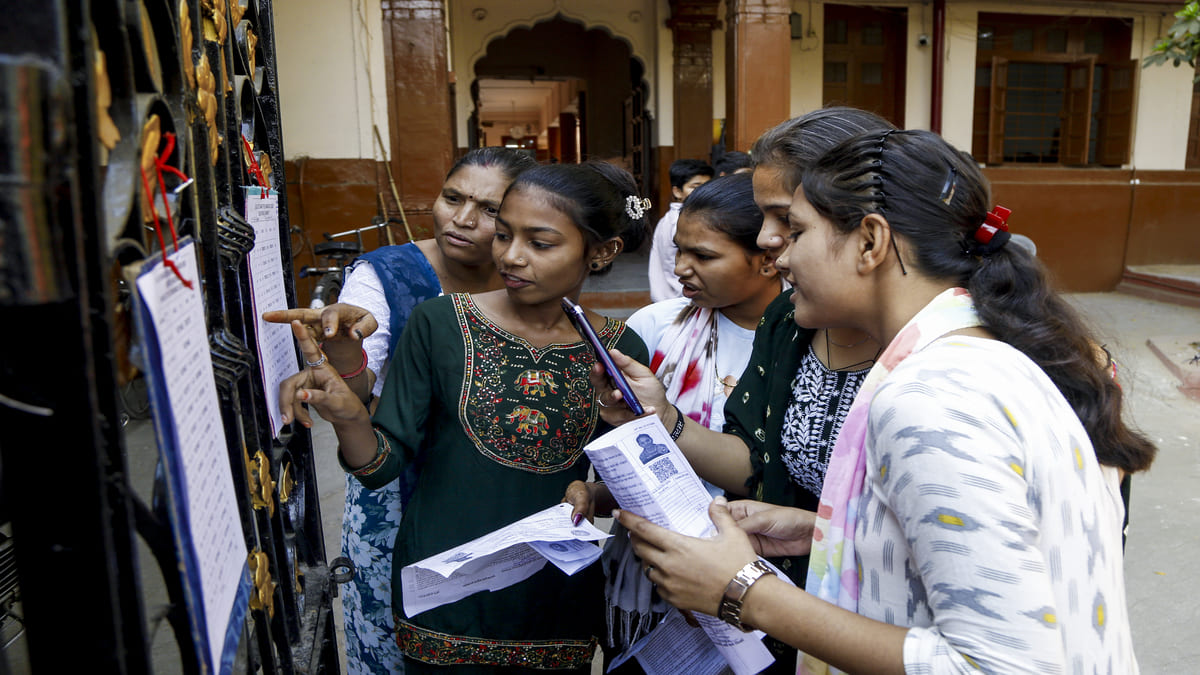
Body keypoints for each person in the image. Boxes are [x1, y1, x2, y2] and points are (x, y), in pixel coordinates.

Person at [615, 129, 1156, 673]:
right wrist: (830, 534)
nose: (778, 252)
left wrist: (743, 591)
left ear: (870, 241)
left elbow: (999, 665)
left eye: (796, 230)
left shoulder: (931, 397)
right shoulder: (976, 355)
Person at [276, 160, 650, 673]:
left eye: (540, 243)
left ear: (602, 252)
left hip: (554, 594)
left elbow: (627, 477)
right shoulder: (440, 323)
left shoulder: (619, 349)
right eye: (504, 235)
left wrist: (595, 491)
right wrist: (349, 419)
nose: (510, 256)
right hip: (442, 592)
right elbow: (382, 465)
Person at [265, 147, 535, 675]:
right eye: (452, 198)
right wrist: (345, 351)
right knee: (399, 641)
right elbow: (359, 387)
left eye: (489, 209)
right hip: (397, 487)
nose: (462, 219)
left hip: (498, 493)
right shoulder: (386, 274)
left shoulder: (527, 274)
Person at [565, 171, 785, 668]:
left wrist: (668, 419)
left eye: (703, 256)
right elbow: (641, 461)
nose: (681, 268)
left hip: (760, 572)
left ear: (769, 258)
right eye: (679, 250)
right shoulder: (656, 326)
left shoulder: (803, 342)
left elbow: (783, 476)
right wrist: (598, 493)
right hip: (649, 568)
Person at [648, 159, 714, 302]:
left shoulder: (668, 219)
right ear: (677, 192)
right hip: (680, 299)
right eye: (696, 187)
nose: (703, 192)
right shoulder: (683, 222)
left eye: (707, 186)